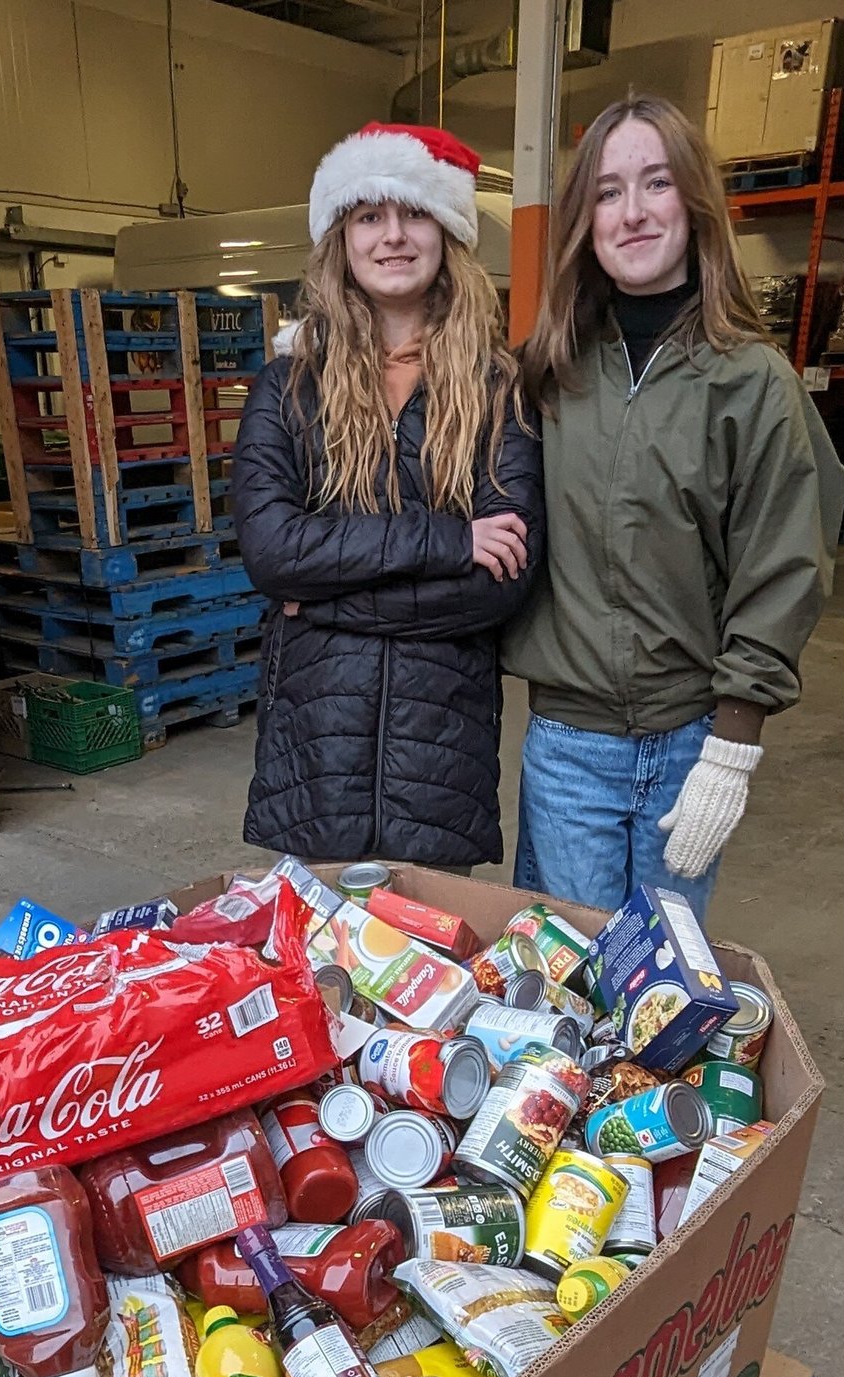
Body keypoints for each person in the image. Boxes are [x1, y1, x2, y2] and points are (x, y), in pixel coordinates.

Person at [503, 94, 844, 919]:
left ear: (693, 205)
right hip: (568, 743)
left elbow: (782, 568)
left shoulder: (750, 381)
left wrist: (732, 747)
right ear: (584, 219)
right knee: (567, 979)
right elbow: (435, 446)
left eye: (654, 183)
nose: (631, 212)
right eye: (608, 190)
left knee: (662, 996)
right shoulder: (545, 372)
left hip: (689, 738)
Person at [232, 123, 544, 869]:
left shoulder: (496, 389)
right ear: (340, 240)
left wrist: (325, 601)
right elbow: (274, 554)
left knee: (433, 974)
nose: (393, 236)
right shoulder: (287, 389)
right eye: (369, 216)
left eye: (413, 213)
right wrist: (445, 541)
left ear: (445, 233)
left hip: (438, 758)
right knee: (318, 972)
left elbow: (497, 585)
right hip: (315, 747)